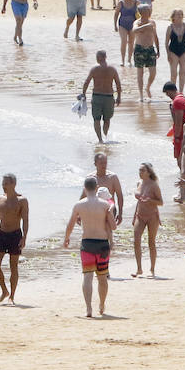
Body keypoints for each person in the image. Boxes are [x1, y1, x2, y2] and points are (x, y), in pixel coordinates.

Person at [62, 175, 116, 317]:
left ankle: (88, 308)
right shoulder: (105, 205)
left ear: (85, 189)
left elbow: (70, 224)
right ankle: (102, 304)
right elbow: (113, 226)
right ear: (97, 188)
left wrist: (66, 239)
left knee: (87, 277)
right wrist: (110, 212)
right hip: (102, 244)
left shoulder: (79, 205)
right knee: (102, 278)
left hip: (87, 244)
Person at [0, 173, 29, 304]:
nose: (3, 186)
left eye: (6, 183)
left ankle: (12, 295)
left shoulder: (22, 200)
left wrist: (24, 237)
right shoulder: (0, 199)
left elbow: (25, 220)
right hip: (1, 234)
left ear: (13, 184)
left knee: (13, 266)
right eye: (3, 183)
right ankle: (4, 290)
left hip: (15, 235)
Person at [82, 50, 122, 143]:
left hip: (97, 96)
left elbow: (86, 82)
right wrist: (119, 97)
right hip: (109, 97)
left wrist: (83, 94)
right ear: (105, 57)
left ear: (98, 58)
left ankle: (100, 140)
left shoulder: (94, 69)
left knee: (96, 119)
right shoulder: (112, 69)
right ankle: (105, 137)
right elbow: (118, 84)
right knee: (107, 119)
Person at [131, 162, 163, 277]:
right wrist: (134, 215)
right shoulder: (139, 183)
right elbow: (139, 201)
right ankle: (139, 269)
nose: (140, 172)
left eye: (142, 170)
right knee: (136, 240)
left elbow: (161, 202)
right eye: (139, 170)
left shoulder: (154, 185)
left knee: (151, 242)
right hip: (140, 215)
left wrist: (150, 200)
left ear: (149, 172)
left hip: (152, 215)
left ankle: (152, 269)